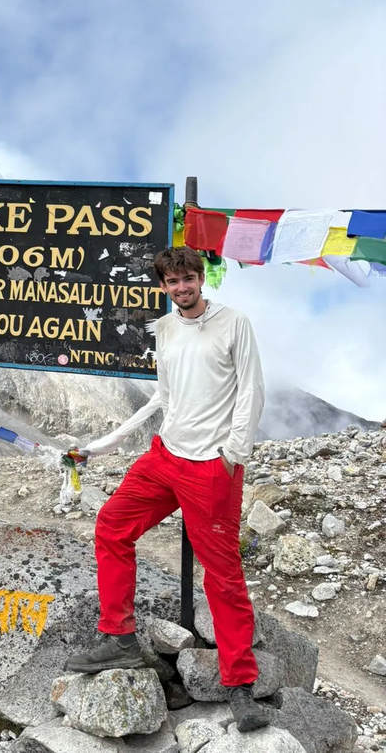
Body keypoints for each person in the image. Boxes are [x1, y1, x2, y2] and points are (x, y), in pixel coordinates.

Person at [66, 245, 269, 734]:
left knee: (221, 572)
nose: (182, 287)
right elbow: (162, 396)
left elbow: (251, 389)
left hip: (212, 467)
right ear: (163, 287)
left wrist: (232, 454)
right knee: (112, 526)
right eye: (172, 282)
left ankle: (239, 685)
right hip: (165, 456)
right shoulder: (167, 327)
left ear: (202, 278)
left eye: (189, 278)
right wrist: (100, 447)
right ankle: (119, 636)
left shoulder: (234, 323)